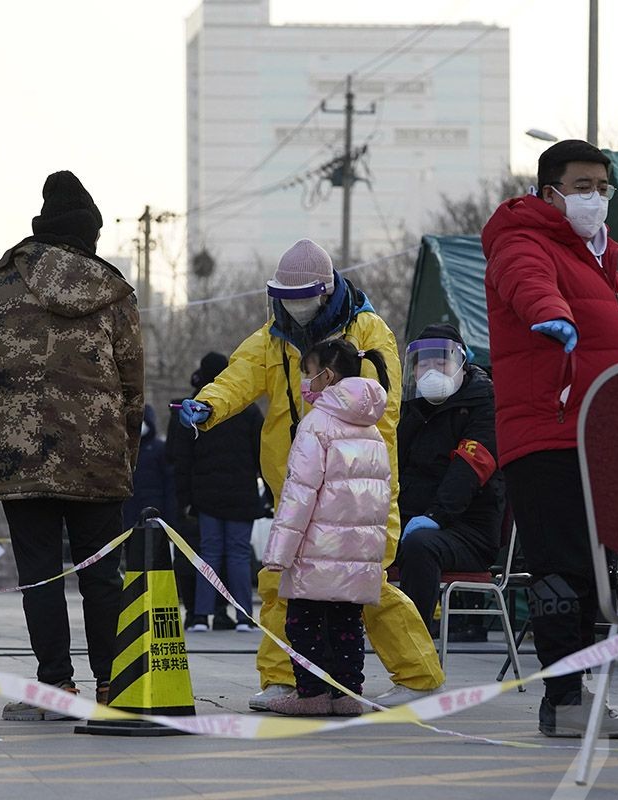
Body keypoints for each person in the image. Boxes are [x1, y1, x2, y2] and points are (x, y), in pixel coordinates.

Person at [178, 238, 444, 709]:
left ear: (326, 292)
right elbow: (239, 376)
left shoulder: (368, 331)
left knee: (366, 583)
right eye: (284, 298)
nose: (292, 307)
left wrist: (341, 456)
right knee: (282, 581)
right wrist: (209, 405)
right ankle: (286, 681)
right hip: (296, 486)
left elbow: (385, 406)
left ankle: (418, 676)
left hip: (358, 490)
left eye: (299, 298)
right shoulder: (273, 337)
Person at [0, 170, 143, 719]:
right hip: (98, 457)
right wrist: (122, 450)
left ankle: (56, 687)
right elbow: (133, 385)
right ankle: (114, 685)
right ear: (89, 231)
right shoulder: (114, 292)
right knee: (102, 574)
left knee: (39, 575)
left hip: (21, 460)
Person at [482, 139, 618, 738]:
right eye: (582, 187)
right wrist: (548, 311)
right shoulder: (524, 238)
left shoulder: (609, 267)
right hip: (548, 431)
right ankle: (565, 700)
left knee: (593, 574)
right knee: (561, 570)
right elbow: (526, 279)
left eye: (603, 188)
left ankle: (578, 700)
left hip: (601, 438)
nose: (595, 198)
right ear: (548, 191)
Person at [262, 339, 391, 716]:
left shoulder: (317, 424)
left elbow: (300, 493)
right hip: (358, 550)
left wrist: (279, 554)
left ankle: (312, 692)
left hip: (317, 547)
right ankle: (348, 693)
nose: (306, 383)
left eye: (308, 374)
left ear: (327, 376)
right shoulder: (373, 428)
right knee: (346, 622)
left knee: (303, 622)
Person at [393, 325, 505, 636]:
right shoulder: (411, 411)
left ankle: (416, 653)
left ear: (461, 364)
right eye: (423, 364)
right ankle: (337, 654)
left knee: (420, 546)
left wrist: (435, 516)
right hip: (411, 521)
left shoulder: (484, 406)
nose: (431, 371)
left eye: (440, 363)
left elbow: (470, 468)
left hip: (468, 532)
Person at [169, 351, 264, 632]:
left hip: (206, 495)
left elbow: (181, 459)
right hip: (242, 493)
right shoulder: (247, 410)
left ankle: (200, 616)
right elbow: (262, 453)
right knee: (238, 553)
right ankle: (243, 616)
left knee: (208, 553)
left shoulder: (194, 409)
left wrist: (184, 499)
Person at [121, 404, 177, 532]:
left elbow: (169, 483)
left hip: (153, 508)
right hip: (129, 508)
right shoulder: (125, 449)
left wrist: (170, 514)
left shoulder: (160, 449)